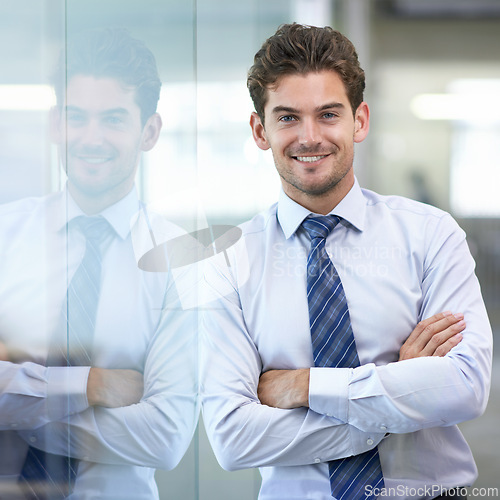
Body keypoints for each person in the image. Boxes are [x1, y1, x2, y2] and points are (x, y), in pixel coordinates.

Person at [201, 23, 492, 500]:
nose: (310, 137)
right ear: (260, 130)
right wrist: (395, 397)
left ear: (359, 120)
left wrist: (304, 386)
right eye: (288, 117)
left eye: (329, 114)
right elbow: (234, 438)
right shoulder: (229, 261)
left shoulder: (431, 234)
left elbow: (464, 386)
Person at [0, 28, 198, 499]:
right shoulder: (5, 236)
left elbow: (164, 437)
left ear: (148, 131)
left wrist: (18, 400)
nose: (91, 138)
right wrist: (90, 385)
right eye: (76, 118)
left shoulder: (182, 262)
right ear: (55, 124)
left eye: (112, 119)